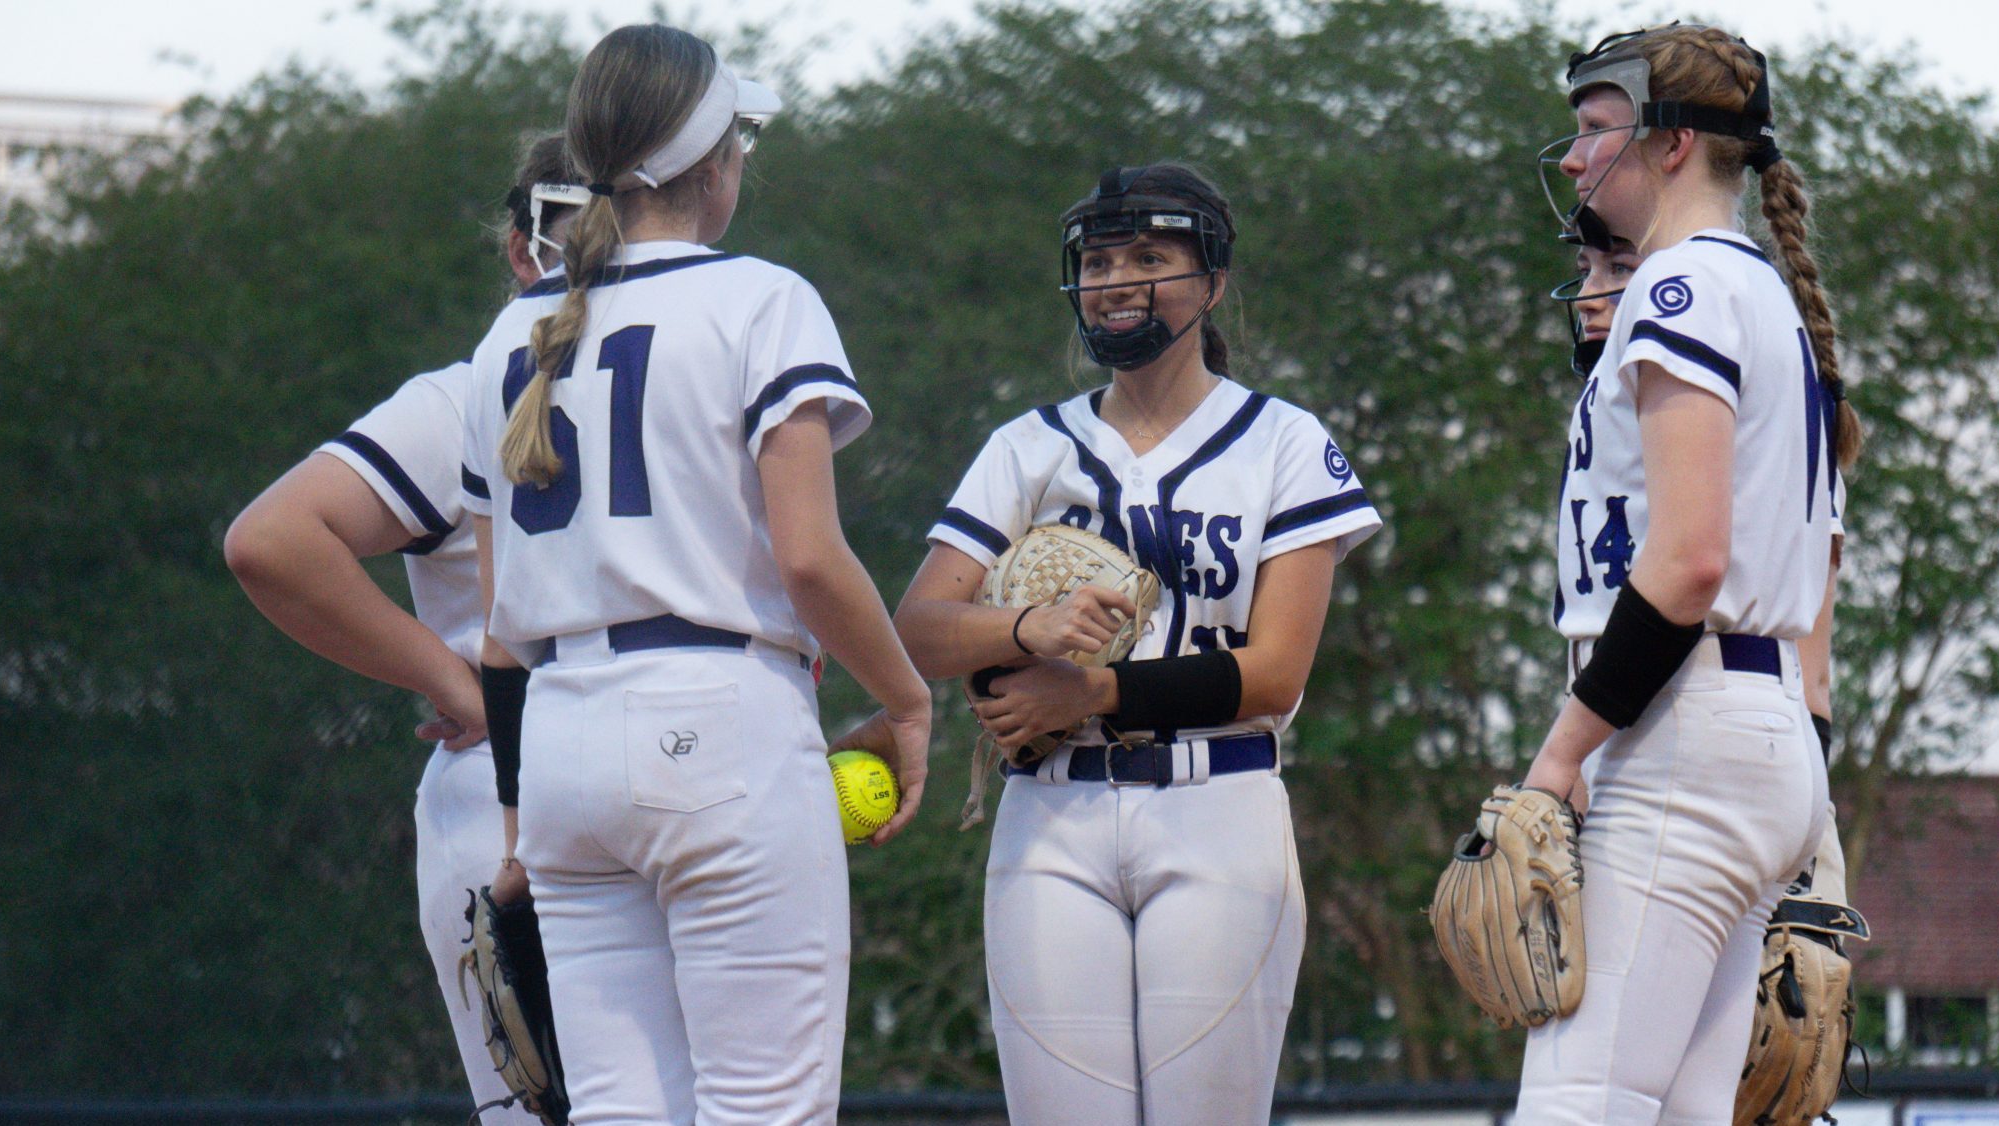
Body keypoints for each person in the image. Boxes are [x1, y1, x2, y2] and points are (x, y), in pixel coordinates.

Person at [458, 24, 931, 1124]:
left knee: (624, 1111)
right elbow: (810, 559)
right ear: (713, 166)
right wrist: (905, 697)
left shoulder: (506, 337)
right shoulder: (761, 298)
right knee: (762, 1107)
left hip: (565, 741)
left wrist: (521, 820)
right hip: (719, 722)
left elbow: (497, 630)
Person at [894, 163, 1382, 1125]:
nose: (1117, 281)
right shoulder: (1026, 447)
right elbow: (919, 629)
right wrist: (1026, 627)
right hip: (1052, 815)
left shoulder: (1283, 442)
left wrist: (1093, 695)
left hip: (1219, 804)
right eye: (1100, 260)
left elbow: (1276, 673)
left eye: (1151, 258)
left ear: (1212, 283)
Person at [1513, 22, 1855, 1124]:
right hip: (1751, 737)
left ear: (1671, 146)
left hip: (1681, 733)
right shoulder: (1755, 293)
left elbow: (1690, 559)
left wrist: (1556, 760)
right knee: (1678, 1113)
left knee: (1575, 1103)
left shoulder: (1678, 290)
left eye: (1596, 129)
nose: (1573, 158)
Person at [222, 132, 582, 1125]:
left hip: (633, 769)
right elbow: (274, 539)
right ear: (521, 248)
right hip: (515, 779)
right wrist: (455, 679)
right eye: (567, 221)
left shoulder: (687, 380)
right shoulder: (465, 394)